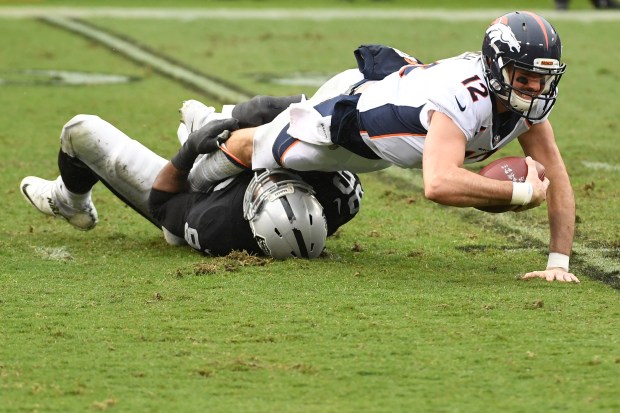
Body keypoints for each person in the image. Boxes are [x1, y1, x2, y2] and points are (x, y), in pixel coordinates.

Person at [174, 11, 579, 283]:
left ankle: (238, 116)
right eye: (521, 77)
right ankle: (199, 151)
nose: (532, 89)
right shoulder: (465, 97)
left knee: (278, 126)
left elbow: (557, 175)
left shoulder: (526, 104)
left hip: (395, 114)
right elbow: (438, 183)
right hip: (352, 120)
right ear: (494, 67)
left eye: (540, 79)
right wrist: (520, 192)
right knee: (259, 149)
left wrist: (558, 262)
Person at [19, 107, 364, 259]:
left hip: (190, 196)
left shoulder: (217, 227)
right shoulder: (340, 192)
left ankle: (68, 199)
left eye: (260, 193)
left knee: (80, 131)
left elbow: (163, 200)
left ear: (252, 223)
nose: (268, 181)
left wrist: (189, 152)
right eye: (283, 183)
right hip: (232, 166)